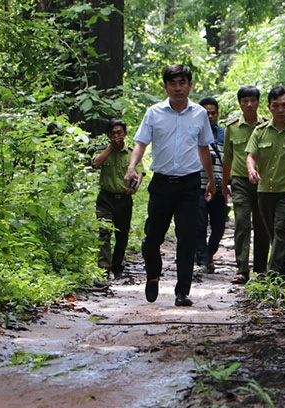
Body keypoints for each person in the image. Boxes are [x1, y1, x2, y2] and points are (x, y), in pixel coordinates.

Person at [124, 65, 216, 308]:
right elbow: (141, 143)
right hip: (162, 183)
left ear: (190, 85)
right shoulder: (154, 113)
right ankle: (153, 275)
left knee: (186, 238)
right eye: (173, 83)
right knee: (152, 238)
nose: (178, 88)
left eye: (182, 83)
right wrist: (132, 167)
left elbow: (204, 148)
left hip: (190, 184)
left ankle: (182, 291)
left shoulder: (199, 114)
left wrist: (211, 180)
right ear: (165, 86)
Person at [246, 86, 285, 280]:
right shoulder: (260, 132)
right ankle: (283, 273)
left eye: (284, 105)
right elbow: (251, 155)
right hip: (265, 190)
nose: (280, 109)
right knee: (274, 234)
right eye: (276, 106)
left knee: (282, 229)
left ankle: (272, 273)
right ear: (269, 107)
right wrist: (251, 170)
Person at [221, 86, 268, 284]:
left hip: (263, 182)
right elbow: (227, 159)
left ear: (258, 102)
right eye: (245, 101)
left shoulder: (266, 125)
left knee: (262, 224)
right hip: (240, 181)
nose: (249, 104)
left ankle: (261, 269)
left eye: (253, 100)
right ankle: (242, 269)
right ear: (240, 103)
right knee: (242, 222)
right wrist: (224, 186)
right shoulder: (231, 128)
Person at [91, 119, 143, 280]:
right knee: (104, 232)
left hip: (124, 200)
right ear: (108, 135)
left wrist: (135, 186)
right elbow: (95, 164)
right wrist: (110, 148)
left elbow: (140, 172)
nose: (116, 136)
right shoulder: (103, 152)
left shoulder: (130, 154)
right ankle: (104, 267)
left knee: (122, 235)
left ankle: (117, 265)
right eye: (113, 133)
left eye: (119, 132)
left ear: (125, 133)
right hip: (106, 198)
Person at [196, 97, 227, 274]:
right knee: (198, 224)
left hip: (219, 186)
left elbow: (228, 160)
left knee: (219, 225)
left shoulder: (224, 134)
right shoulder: (193, 134)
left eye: (213, 113)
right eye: (206, 113)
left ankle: (209, 253)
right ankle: (202, 258)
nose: (209, 116)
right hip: (198, 185)